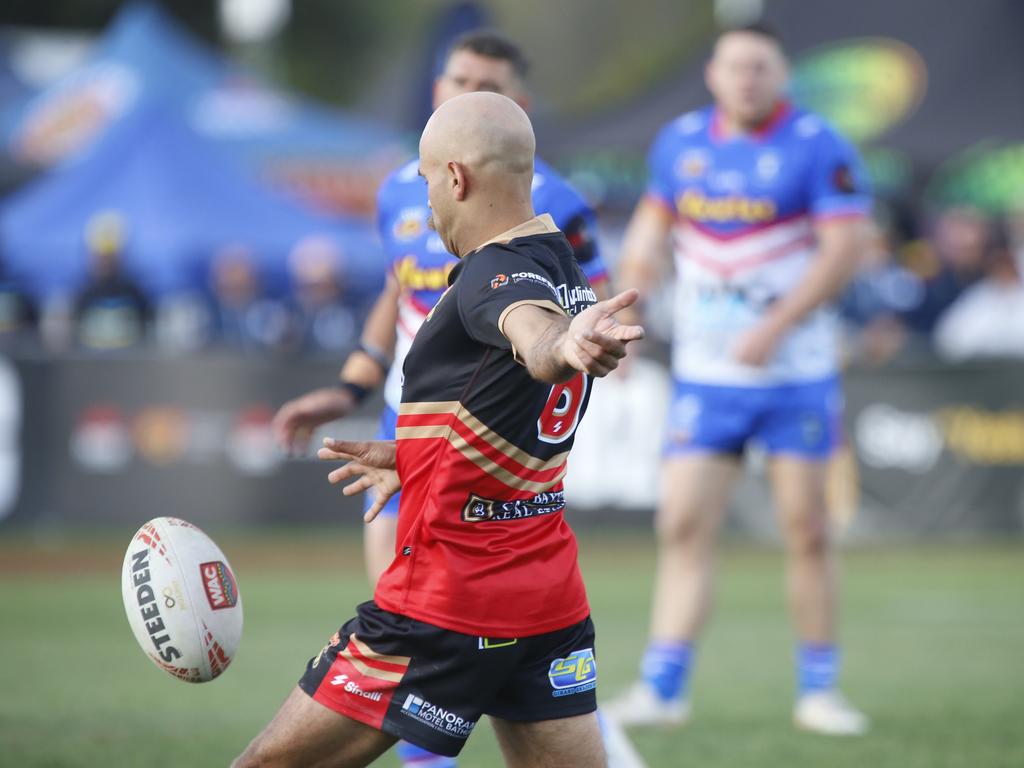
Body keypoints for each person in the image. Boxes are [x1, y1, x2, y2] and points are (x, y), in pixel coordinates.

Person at [234, 91, 644, 768]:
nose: (425, 202)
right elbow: (511, 400)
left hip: (449, 601)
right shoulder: (565, 265)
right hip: (547, 600)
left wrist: (561, 347)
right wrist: (420, 459)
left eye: (426, 180)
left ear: (456, 177)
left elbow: (532, 337)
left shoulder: (492, 271)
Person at [604, 23, 872, 735]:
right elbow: (647, 238)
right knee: (683, 524)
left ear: (780, 74)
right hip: (707, 379)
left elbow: (847, 250)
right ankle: (664, 687)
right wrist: (624, 314)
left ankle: (819, 689)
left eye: (760, 67)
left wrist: (776, 325)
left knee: (806, 530)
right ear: (714, 75)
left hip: (795, 378)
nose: (746, 79)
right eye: (734, 67)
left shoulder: (819, 145)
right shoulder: (680, 143)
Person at [272, 31, 607, 591]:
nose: (467, 94)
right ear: (435, 89)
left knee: (462, 602)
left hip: (486, 427)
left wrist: (562, 347)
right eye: (459, 81)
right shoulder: (399, 191)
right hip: (402, 413)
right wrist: (351, 387)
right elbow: (396, 290)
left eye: (487, 87)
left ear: (516, 106)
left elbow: (583, 302)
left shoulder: (554, 201)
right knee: (391, 595)